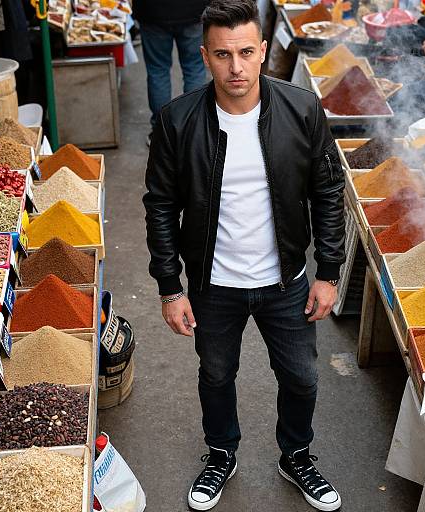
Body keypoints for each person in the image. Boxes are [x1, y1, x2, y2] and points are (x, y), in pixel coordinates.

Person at [143, 0, 345, 510]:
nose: (236, 67)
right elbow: (161, 206)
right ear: (205, 56)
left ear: (261, 54)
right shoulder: (177, 121)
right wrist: (170, 287)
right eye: (223, 54)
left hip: (288, 281)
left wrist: (329, 272)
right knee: (215, 375)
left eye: (246, 52)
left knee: (301, 376)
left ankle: (296, 455)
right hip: (214, 284)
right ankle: (220, 453)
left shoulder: (302, 110)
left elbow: (327, 192)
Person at [132, 0, 209, 145]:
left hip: (153, 12)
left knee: (158, 70)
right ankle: (192, 129)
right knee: (194, 69)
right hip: (194, 10)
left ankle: (161, 132)